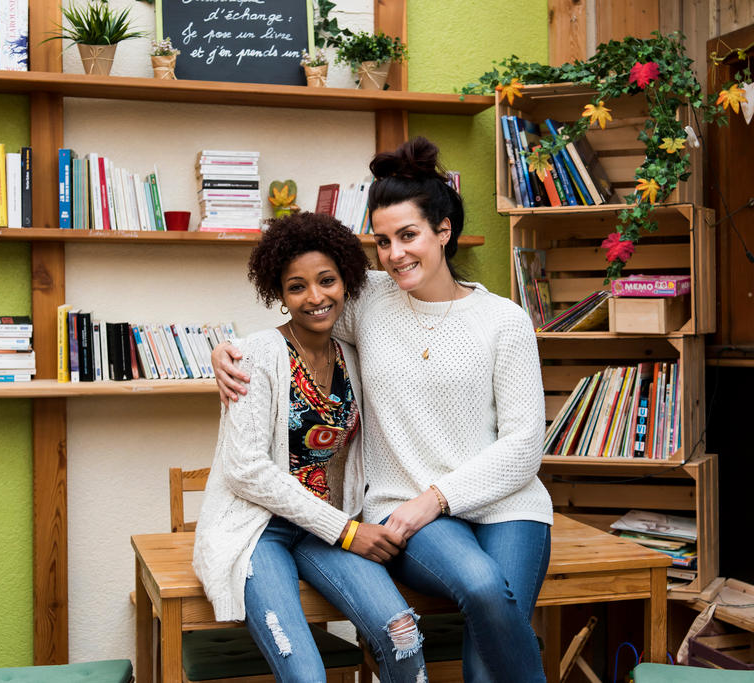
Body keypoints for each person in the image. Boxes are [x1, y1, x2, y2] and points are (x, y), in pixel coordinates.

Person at [213, 137, 554, 682]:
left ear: (444, 231)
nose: (395, 254)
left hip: (507, 503)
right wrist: (224, 350)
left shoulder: (504, 320)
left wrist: (436, 498)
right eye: (383, 241)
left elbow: (523, 447)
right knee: (484, 587)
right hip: (404, 508)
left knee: (495, 622)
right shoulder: (368, 299)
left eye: (409, 235)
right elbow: (298, 313)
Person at [193, 212, 427, 683]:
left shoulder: (354, 357)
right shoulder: (256, 356)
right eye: (297, 286)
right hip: (260, 532)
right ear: (279, 293)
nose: (315, 297)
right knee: (305, 673)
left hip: (324, 527)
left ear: (346, 281)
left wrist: (346, 526)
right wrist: (345, 531)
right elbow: (246, 471)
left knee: (402, 636)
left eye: (327, 281)